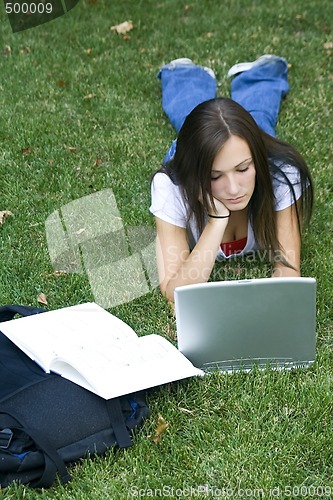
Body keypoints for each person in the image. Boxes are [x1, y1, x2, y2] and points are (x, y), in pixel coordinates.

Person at [150, 55, 313, 302]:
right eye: (215, 176)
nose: (234, 188)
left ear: (255, 161)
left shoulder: (280, 175)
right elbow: (175, 292)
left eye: (243, 169)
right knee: (191, 122)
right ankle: (183, 75)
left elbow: (288, 271)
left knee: (259, 119)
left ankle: (261, 73)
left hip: (257, 151)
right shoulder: (172, 188)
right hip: (193, 155)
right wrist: (216, 221)